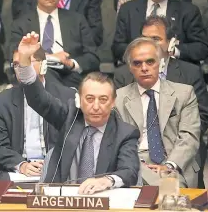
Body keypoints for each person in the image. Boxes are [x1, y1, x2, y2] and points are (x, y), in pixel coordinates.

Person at [15, 32, 140, 194]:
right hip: (62, 200)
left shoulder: (125, 133)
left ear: (113, 102)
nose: (96, 106)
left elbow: (129, 171)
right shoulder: (69, 117)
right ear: (79, 100)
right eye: (89, 99)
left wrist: (106, 180)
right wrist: (25, 61)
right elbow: (38, 98)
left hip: (102, 199)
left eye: (103, 99)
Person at [114, 16, 208, 188]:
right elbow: (119, 143)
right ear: (130, 67)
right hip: (137, 164)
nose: (144, 68)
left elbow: (189, 137)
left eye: (150, 62)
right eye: (137, 63)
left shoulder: (183, 93)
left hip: (175, 163)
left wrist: (169, 165)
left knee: (167, 182)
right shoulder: (119, 98)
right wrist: (140, 166)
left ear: (160, 63)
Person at [0, 47, 75, 182]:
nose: (21, 67)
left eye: (27, 61)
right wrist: (22, 165)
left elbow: (72, 143)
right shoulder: (1, 101)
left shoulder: (67, 96)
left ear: (43, 65)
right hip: (19, 172)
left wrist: (50, 166)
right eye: (17, 64)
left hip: (56, 170)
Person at [9, 0, 100, 89]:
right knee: (46, 75)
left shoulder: (77, 20)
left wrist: (71, 63)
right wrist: (52, 58)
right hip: (34, 76)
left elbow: (92, 57)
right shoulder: (21, 23)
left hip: (69, 77)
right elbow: (15, 55)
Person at [112, 0, 208, 65]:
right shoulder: (128, 9)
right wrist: (142, 53)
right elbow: (117, 47)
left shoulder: (188, 11)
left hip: (177, 73)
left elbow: (202, 48)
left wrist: (173, 50)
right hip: (138, 71)